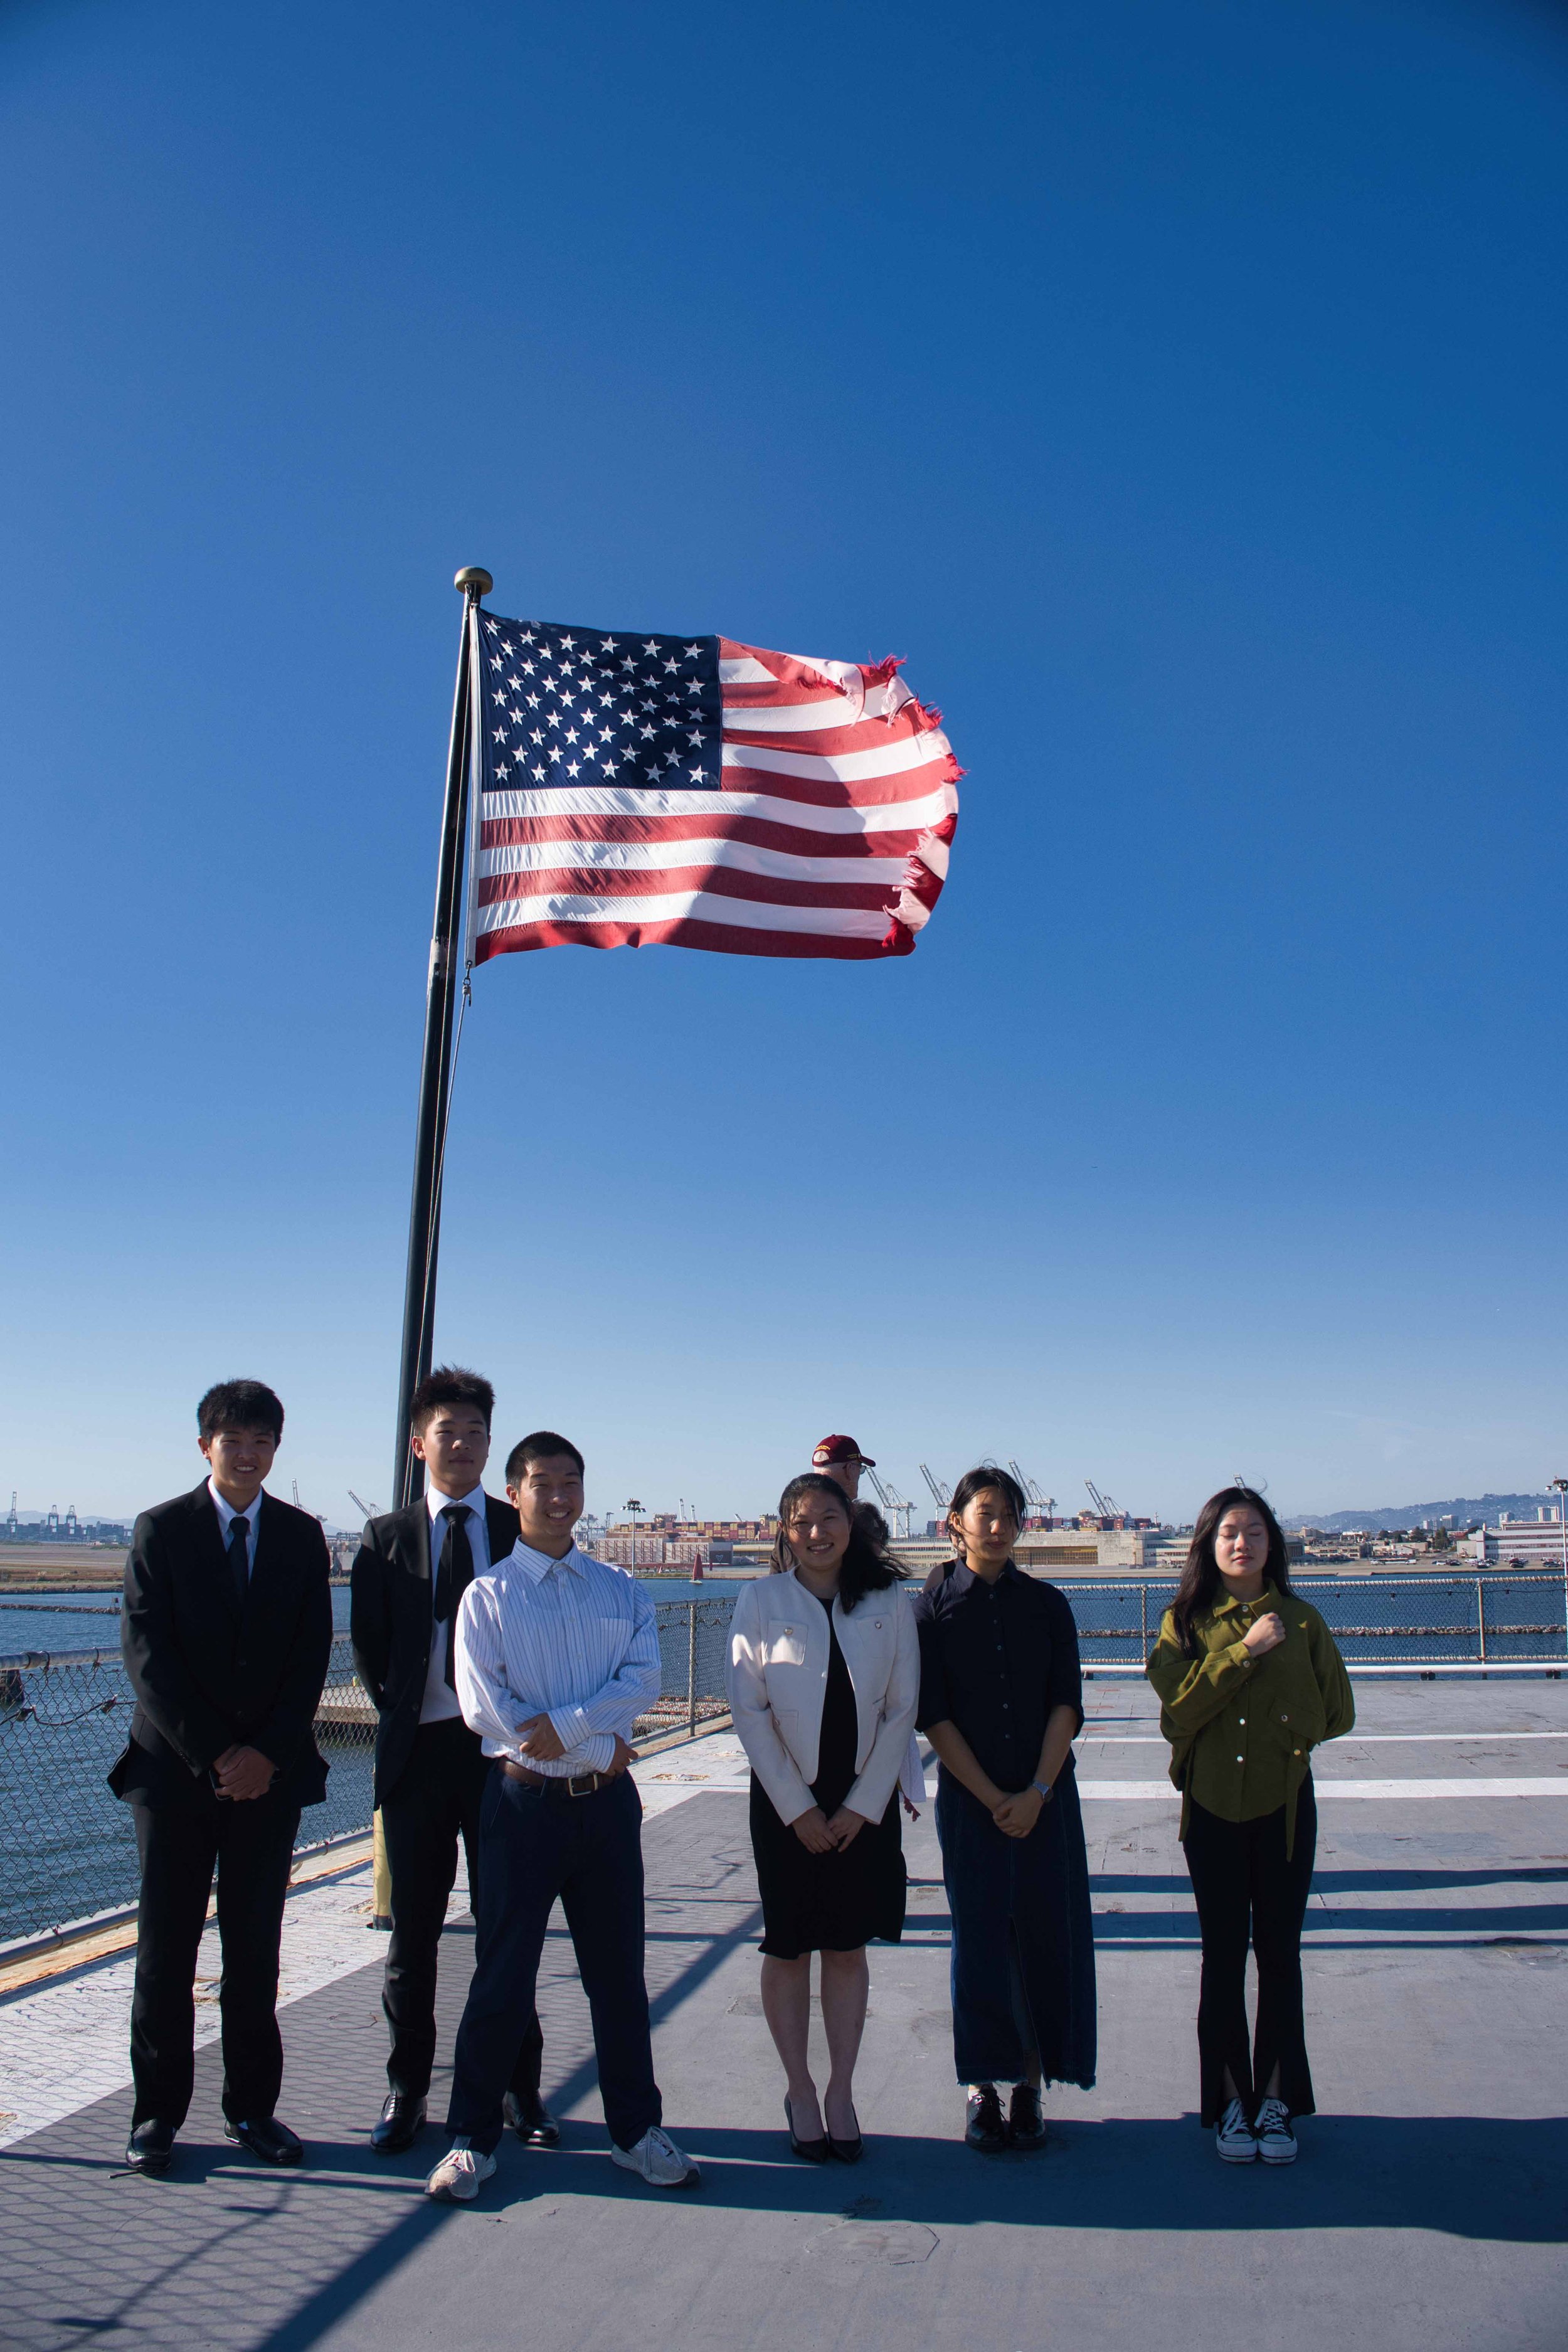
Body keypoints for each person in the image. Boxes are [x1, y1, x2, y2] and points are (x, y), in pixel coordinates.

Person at [425, 1431, 700, 2202]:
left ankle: (635, 2133)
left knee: (618, 1979)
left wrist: (572, 1727)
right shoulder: (488, 1596)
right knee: (502, 1978)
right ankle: (470, 2140)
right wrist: (593, 1735)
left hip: (607, 1811)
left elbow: (643, 1679)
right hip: (522, 1807)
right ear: (513, 1495)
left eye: (570, 1481)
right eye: (542, 1483)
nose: (558, 1496)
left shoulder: (620, 1589)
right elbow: (486, 1708)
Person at [109, 1379, 332, 2176]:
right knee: (164, 1952)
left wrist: (265, 1754)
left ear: (277, 1448)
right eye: (232, 1440)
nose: (248, 1454)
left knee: (255, 1950)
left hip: (268, 1782)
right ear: (204, 1444)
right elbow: (147, 1657)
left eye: (262, 1441)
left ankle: (251, 2110)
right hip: (174, 1778)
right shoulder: (160, 1531)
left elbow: (310, 1657)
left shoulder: (304, 1538)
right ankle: (157, 2116)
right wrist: (216, 1755)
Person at [350, 1365, 554, 2156]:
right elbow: (371, 1649)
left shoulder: (518, 1530)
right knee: (415, 1935)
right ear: (417, 1443)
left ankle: (518, 2086)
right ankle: (408, 2088)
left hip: (504, 1758)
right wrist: (407, 1706)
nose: (462, 1444)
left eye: (475, 1431)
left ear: (490, 1444)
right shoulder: (386, 1537)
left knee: (510, 1927)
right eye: (447, 1431)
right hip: (418, 1761)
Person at [1147, 1485, 1353, 2166]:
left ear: (1273, 1544)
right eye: (1229, 1532)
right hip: (1210, 1811)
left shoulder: (1302, 1620)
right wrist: (1243, 1654)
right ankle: (1231, 2100)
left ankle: (1274, 2099)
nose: (1242, 1543)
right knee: (1222, 1956)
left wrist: (1288, 1733)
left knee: (1280, 1956)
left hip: (1285, 1808)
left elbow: (1337, 1712)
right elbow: (1177, 1706)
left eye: (1255, 1532)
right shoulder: (1184, 1622)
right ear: (1208, 1544)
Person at [727, 1473, 918, 2162]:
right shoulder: (759, 1599)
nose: (816, 1533)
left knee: (845, 1944)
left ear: (851, 1523)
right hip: (786, 1802)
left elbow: (903, 1708)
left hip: (860, 1803)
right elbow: (747, 1710)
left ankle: (841, 2090)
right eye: (801, 1521)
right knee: (787, 1944)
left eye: (828, 1518)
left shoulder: (888, 1600)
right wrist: (798, 1809)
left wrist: (865, 1807)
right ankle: (799, 2090)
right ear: (784, 1529)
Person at [914, 1465, 1095, 2154]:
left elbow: (1065, 1705)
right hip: (971, 1803)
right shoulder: (930, 1610)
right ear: (955, 1521)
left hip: (1047, 1798)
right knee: (980, 1943)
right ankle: (981, 2089)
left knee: (1046, 1936)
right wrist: (995, 1798)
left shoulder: (1047, 1605)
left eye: (1008, 1514)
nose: (997, 1525)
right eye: (983, 1512)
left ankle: (1031, 2084)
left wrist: (1038, 1793)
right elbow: (933, 1716)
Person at [812, 1434, 924, 1820]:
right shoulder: (887, 1595)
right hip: (860, 1716)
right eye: (858, 1468)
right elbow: (903, 1697)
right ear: (849, 1469)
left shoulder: (789, 1533)